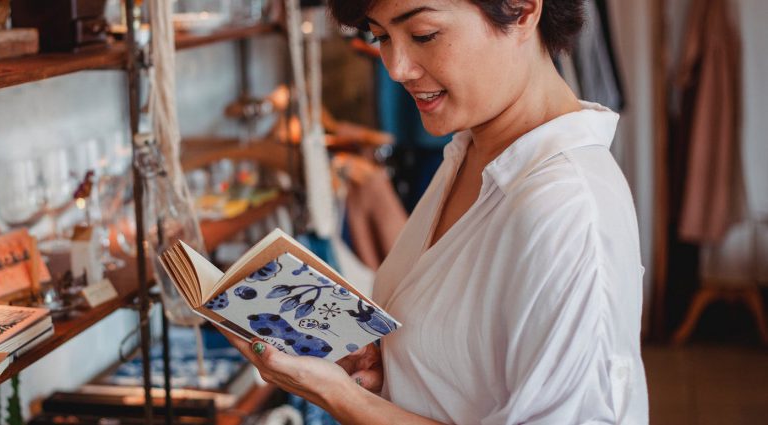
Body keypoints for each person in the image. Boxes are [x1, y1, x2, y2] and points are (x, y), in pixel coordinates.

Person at [219, 0, 649, 423]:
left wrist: (339, 397)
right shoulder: (469, 156)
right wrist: (400, 368)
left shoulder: (565, 209)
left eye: (424, 35)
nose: (396, 68)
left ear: (521, 10)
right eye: (381, 36)